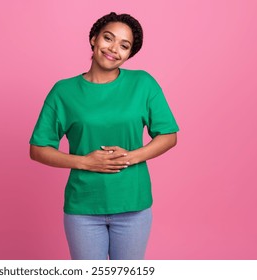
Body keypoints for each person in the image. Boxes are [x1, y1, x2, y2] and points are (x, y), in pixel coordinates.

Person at [29, 12, 179, 260]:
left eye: (124, 45)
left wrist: (130, 157)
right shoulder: (63, 91)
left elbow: (168, 135)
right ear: (93, 39)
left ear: (130, 54)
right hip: (83, 207)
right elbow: (38, 149)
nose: (113, 49)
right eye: (108, 38)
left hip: (133, 205)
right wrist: (85, 162)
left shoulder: (143, 84)